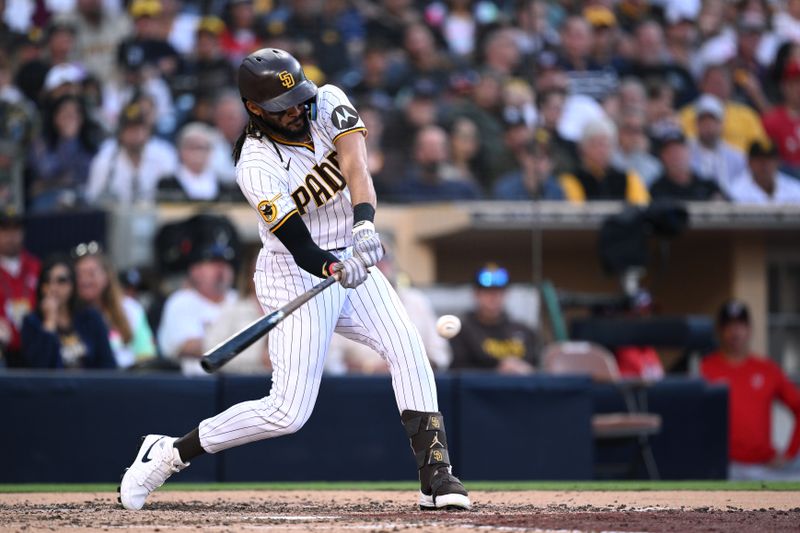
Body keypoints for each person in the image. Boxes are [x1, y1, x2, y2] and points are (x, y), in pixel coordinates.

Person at [119, 48, 469, 512]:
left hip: (352, 252)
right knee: (288, 412)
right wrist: (331, 266)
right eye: (285, 108)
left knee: (407, 347)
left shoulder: (326, 101)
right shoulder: (254, 163)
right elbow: (299, 244)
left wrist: (364, 224)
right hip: (293, 273)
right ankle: (166, 453)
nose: (299, 111)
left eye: (300, 100)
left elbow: (356, 167)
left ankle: (436, 476)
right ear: (256, 109)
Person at [701, 300, 800, 480]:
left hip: (764, 467)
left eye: (740, 325)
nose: (735, 331)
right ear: (720, 331)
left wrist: (790, 453)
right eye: (729, 326)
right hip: (722, 468)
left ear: (749, 329)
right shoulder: (705, 369)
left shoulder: (767, 370)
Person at [20, 255, 116, 369]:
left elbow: (108, 364)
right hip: (51, 386)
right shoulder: (31, 322)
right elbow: (39, 369)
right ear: (41, 286)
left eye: (61, 280)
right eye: (47, 281)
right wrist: (49, 322)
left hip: (89, 386)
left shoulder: (91, 318)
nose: (53, 287)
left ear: (73, 284)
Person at [157, 243, 237, 376]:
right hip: (192, 382)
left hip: (240, 378)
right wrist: (241, 345)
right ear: (195, 270)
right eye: (213, 263)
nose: (221, 269)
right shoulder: (182, 301)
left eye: (225, 263)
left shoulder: (239, 299)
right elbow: (187, 347)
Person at [74, 243, 157, 369]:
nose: (85, 280)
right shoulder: (67, 313)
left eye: (91, 274)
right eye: (79, 275)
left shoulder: (130, 309)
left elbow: (146, 356)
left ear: (106, 276)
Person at [449, 264, 538, 374]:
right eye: (487, 292)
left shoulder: (524, 331)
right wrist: (496, 372)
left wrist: (525, 369)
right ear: (476, 294)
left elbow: (538, 368)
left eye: (498, 292)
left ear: (506, 294)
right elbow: (457, 371)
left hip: (519, 389)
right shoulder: (461, 331)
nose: (493, 297)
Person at [558, 116, 650, 203]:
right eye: (596, 144)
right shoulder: (570, 180)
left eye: (606, 144)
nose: (602, 150)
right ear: (582, 149)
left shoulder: (629, 179)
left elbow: (641, 209)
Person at [0, 206, 40, 367]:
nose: (11, 236)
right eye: (5, 229)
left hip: (35, 348)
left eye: (16, 229)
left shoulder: (36, 266)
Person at [687, 94, 747, 195]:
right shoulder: (685, 152)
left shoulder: (737, 157)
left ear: (721, 124)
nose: (708, 126)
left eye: (713, 121)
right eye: (703, 121)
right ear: (696, 124)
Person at [649, 127, 727, 202]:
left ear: (689, 152)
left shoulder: (708, 187)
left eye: (679, 150)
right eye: (670, 152)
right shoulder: (656, 191)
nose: (676, 157)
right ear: (662, 157)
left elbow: (732, 207)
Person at [728, 140, 800, 204]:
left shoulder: (794, 189)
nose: (764, 165)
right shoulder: (735, 192)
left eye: (769, 160)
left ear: (778, 162)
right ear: (749, 162)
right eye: (759, 160)